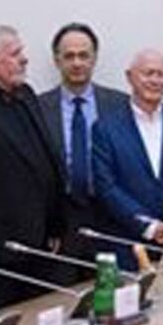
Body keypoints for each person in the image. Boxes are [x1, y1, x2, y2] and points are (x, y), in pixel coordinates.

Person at [0, 26, 67, 308]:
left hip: (42, 243)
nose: (24, 59)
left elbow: (44, 160)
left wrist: (56, 225)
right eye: (14, 54)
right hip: (0, 251)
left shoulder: (26, 95)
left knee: (47, 319)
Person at [92, 49, 163, 266]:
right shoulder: (106, 128)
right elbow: (106, 186)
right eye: (148, 73)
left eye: (161, 74)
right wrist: (149, 226)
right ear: (130, 77)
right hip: (130, 247)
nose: (155, 81)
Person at [39, 23, 129, 266]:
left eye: (83, 55)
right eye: (69, 56)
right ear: (57, 60)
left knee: (114, 284)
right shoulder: (38, 108)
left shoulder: (120, 104)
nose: (77, 63)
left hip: (111, 215)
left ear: (94, 58)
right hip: (62, 219)